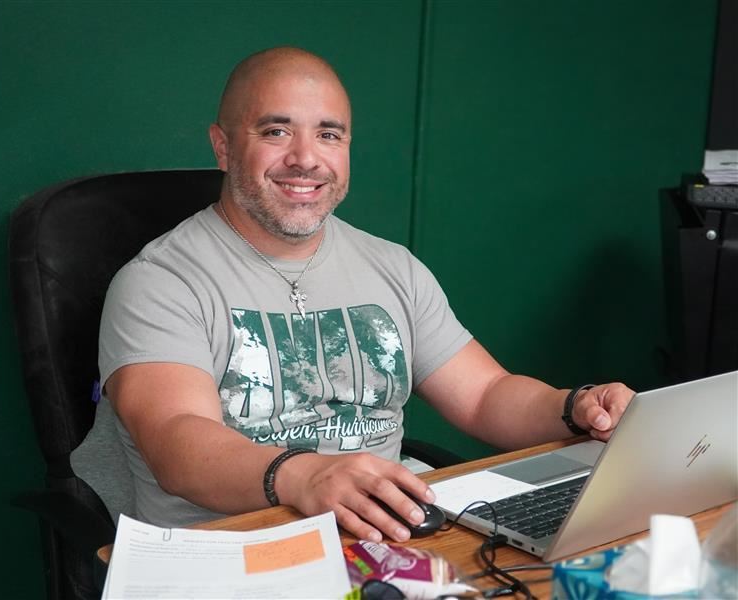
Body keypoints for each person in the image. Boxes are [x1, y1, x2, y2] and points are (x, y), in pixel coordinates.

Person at [88, 47, 634, 544]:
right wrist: (306, 474)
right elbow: (177, 443)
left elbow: (486, 394)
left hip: (382, 538)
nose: (306, 158)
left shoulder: (391, 266)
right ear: (224, 146)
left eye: (329, 134)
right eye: (276, 132)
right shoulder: (160, 281)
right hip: (227, 549)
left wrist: (575, 406)